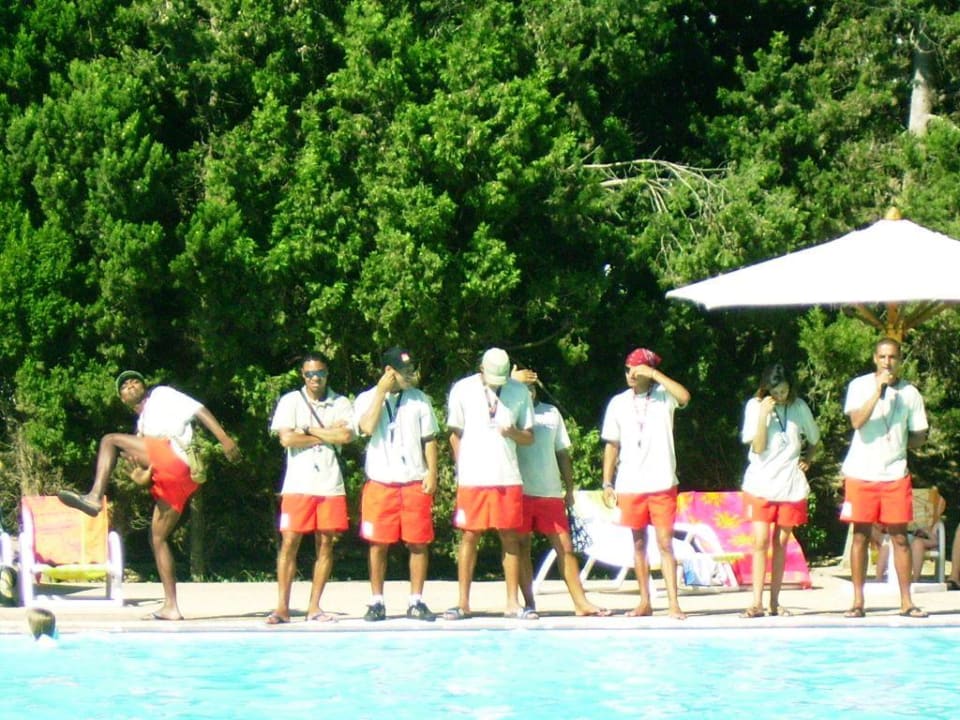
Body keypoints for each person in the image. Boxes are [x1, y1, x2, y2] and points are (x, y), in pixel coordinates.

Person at [59, 370, 240, 621]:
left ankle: (94, 497)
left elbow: (198, 409)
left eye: (135, 381)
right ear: (122, 399)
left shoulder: (161, 395)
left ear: (144, 387)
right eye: (124, 385)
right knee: (157, 538)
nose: (131, 384)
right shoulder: (141, 428)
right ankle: (171, 607)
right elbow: (148, 473)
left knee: (109, 440)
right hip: (180, 481)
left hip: (175, 455)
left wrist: (224, 439)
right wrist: (141, 478)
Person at [840, 337, 929, 618]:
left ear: (899, 360)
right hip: (861, 473)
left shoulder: (910, 393)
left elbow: (919, 434)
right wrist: (877, 390)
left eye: (892, 357)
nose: (887, 362)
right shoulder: (860, 386)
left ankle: (906, 602)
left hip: (895, 475)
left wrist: (900, 444)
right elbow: (856, 421)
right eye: (882, 357)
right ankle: (858, 602)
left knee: (900, 538)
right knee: (860, 536)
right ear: (874, 358)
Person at [443, 348, 535, 620]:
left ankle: (512, 602)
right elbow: (454, 434)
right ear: (481, 369)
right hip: (473, 478)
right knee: (470, 535)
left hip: (507, 476)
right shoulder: (462, 389)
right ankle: (463, 602)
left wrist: (513, 432)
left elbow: (529, 437)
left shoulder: (519, 391)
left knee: (510, 537)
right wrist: (462, 468)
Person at [601, 347, 690, 619]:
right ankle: (644, 601)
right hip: (630, 483)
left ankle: (673, 603)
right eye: (628, 369)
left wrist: (654, 374)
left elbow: (685, 397)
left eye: (636, 370)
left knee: (665, 543)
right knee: (638, 543)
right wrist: (607, 482)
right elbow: (612, 445)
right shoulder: (618, 402)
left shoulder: (664, 396)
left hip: (662, 481)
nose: (630, 375)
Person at [512, 369, 609, 617]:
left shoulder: (551, 413)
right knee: (521, 547)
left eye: (531, 387)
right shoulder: (511, 412)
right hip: (519, 491)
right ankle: (529, 604)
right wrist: (512, 385)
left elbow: (562, 453)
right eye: (523, 388)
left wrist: (569, 487)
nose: (528, 392)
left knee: (565, 547)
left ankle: (581, 603)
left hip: (550, 492)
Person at [353, 347, 439, 622]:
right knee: (378, 544)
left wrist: (432, 472)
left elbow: (429, 439)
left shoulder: (419, 399)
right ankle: (376, 601)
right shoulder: (367, 398)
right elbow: (366, 428)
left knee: (418, 543)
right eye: (404, 370)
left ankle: (416, 601)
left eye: (411, 368)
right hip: (381, 483)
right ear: (389, 371)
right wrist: (380, 393)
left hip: (413, 481)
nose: (410, 374)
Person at [267, 353, 353, 624]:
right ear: (303, 376)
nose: (315, 379)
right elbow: (286, 439)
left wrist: (306, 429)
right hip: (298, 484)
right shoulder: (291, 401)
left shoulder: (341, 403)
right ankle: (282, 608)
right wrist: (325, 433)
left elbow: (345, 435)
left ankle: (314, 607)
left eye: (320, 373)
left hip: (330, 484)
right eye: (309, 374)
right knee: (290, 541)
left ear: (327, 373)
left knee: (325, 543)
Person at [738, 363, 820, 618]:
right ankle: (756, 602)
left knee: (781, 542)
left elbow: (815, 439)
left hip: (789, 485)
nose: (780, 396)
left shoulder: (799, 407)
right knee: (760, 541)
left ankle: (774, 601)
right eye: (775, 391)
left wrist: (808, 459)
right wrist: (763, 416)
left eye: (784, 391)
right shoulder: (755, 406)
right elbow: (758, 447)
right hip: (760, 484)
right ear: (766, 388)